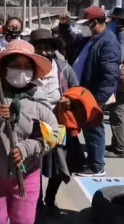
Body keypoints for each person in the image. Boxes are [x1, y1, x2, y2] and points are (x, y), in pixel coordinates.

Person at [0, 39, 60, 224]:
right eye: (16, 65)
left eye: (26, 66)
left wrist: (28, 147)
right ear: (4, 69)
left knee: (23, 220)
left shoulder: (39, 101)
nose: (21, 70)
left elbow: (54, 136)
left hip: (27, 175)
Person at [59, 7, 121, 177]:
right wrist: (64, 27)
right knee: (87, 129)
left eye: (86, 23)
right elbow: (72, 40)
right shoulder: (91, 39)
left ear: (94, 23)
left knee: (94, 129)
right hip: (82, 94)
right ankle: (92, 160)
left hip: (92, 97)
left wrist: (96, 102)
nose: (83, 26)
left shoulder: (108, 43)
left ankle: (97, 166)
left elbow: (110, 77)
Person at [29, 29, 80, 211]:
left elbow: (77, 90)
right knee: (33, 166)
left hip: (58, 125)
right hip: (32, 126)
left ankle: (50, 199)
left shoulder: (64, 68)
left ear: (53, 50)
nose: (43, 52)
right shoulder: (26, 68)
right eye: (39, 48)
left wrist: (70, 99)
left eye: (47, 48)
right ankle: (35, 202)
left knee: (58, 165)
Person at [106, 7, 124, 159]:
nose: (110, 22)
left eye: (112, 19)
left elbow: (120, 55)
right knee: (115, 114)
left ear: (118, 20)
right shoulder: (123, 34)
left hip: (120, 81)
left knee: (118, 115)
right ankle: (115, 144)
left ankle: (120, 149)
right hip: (119, 81)